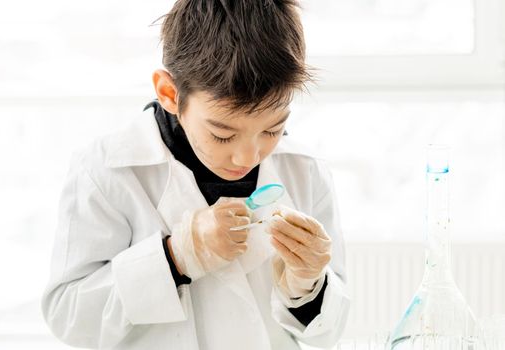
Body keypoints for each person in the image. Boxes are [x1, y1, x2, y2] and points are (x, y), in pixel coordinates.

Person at [41, 1, 350, 349]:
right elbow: (69, 317)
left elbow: (328, 332)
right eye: (222, 134)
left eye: (273, 129)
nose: (248, 156)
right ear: (170, 93)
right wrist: (176, 257)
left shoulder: (305, 170)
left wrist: (308, 284)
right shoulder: (105, 170)